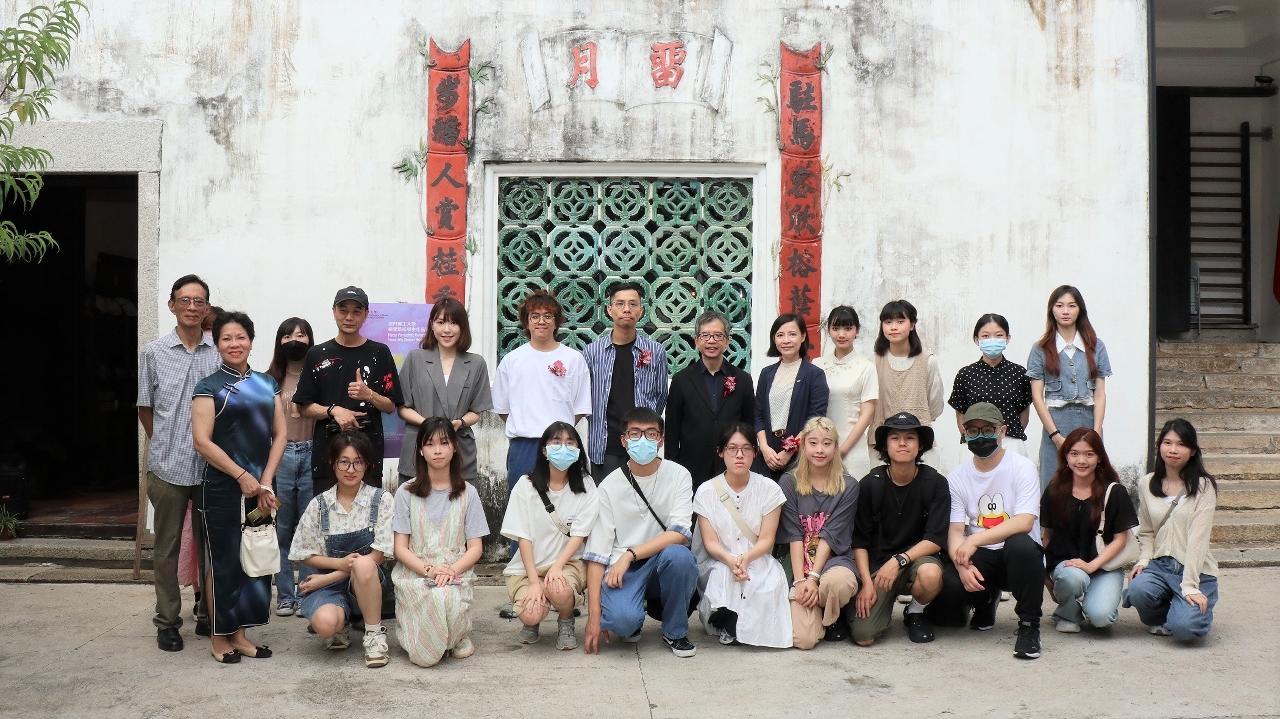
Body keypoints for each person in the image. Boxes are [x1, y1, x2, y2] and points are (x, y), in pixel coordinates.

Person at [191, 311, 285, 663]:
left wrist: (265, 481)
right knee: (225, 563)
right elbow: (202, 441)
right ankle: (219, 636)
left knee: (254, 559)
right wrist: (241, 476)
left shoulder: (267, 384)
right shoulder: (208, 387)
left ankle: (241, 634)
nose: (234, 344)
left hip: (260, 491)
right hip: (222, 489)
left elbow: (280, 435)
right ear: (217, 344)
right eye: (226, 338)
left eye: (240, 337)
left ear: (251, 341)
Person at [492, 289, 592, 616]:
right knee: (521, 515)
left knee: (567, 511)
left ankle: (565, 586)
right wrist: (530, 429)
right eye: (534, 316)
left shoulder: (573, 359)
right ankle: (520, 588)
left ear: (556, 321)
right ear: (526, 322)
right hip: (524, 445)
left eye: (548, 316)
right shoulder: (512, 360)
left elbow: (580, 408)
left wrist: (558, 440)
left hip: (562, 446)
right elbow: (503, 408)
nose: (541, 321)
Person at [137, 274, 221, 651]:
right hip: (168, 467)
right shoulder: (153, 352)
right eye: (184, 300)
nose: (191, 307)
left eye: (198, 301)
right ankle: (167, 621)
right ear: (172, 305)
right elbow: (145, 407)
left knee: (211, 546)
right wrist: (165, 443)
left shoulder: (218, 352)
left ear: (207, 308)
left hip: (210, 468)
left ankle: (207, 613)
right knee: (167, 548)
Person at [583, 407, 699, 658]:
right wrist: (594, 617)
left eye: (651, 433)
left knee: (680, 557)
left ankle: (675, 632)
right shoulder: (609, 486)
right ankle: (632, 614)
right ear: (624, 440)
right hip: (624, 571)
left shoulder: (679, 475)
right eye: (635, 433)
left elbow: (679, 533)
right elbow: (597, 553)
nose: (643, 440)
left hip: (662, 560)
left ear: (661, 440)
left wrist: (630, 554)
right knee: (622, 622)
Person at [933, 403, 1045, 659]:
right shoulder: (957, 477)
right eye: (973, 431)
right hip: (982, 556)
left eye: (988, 429)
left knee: (1021, 545)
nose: (980, 436)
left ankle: (1029, 626)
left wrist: (975, 540)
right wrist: (961, 566)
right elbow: (955, 530)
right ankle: (985, 601)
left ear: (1002, 431)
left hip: (1017, 556)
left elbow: (1025, 521)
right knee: (949, 583)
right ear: (964, 433)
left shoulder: (1023, 467)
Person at [291, 431, 397, 668]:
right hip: (330, 589)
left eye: (358, 462)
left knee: (364, 563)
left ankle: (374, 635)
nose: (351, 469)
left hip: (369, 583)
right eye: (344, 462)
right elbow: (304, 553)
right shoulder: (319, 505)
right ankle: (341, 624)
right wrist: (337, 566)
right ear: (332, 463)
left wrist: (326, 578)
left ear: (367, 465)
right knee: (326, 625)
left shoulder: (381, 500)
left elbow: (377, 557)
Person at [392, 418, 490, 666]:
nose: (437, 450)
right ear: (420, 450)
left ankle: (456, 636)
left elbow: (475, 548)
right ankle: (439, 639)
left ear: (454, 447)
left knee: (445, 596)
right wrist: (430, 570)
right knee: (432, 604)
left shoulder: (468, 493)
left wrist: (450, 571)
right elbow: (400, 548)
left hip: (455, 571)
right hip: (416, 573)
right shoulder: (405, 492)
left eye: (444, 443)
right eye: (430, 444)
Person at [850, 412, 949, 646]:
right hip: (878, 565)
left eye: (910, 437)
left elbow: (935, 539)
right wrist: (866, 584)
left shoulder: (935, 483)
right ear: (885, 445)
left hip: (916, 560)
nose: (902, 443)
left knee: (931, 574)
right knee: (864, 637)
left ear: (920, 445)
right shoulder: (870, 484)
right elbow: (860, 542)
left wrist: (898, 561)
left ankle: (915, 612)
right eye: (895, 438)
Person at [500, 421, 599, 650]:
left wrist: (557, 567)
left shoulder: (586, 484)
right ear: (544, 450)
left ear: (578, 450)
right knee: (531, 613)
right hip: (529, 567)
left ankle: (566, 620)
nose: (563, 447)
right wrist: (535, 582)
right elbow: (523, 536)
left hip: (568, 563)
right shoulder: (525, 485)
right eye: (556, 442)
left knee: (559, 589)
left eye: (570, 442)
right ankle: (533, 622)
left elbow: (579, 534)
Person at [294, 286, 404, 493]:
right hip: (327, 456)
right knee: (326, 512)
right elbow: (304, 407)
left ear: (366, 315)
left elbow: (391, 405)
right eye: (343, 310)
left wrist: (368, 394)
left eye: (356, 311)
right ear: (334, 311)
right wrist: (333, 410)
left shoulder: (380, 352)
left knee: (369, 511)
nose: (349, 317)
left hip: (368, 455)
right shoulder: (317, 354)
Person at [692, 423, 791, 648]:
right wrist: (731, 561)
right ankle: (728, 623)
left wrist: (746, 559)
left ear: (755, 453)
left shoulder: (769, 489)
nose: (739, 455)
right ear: (720, 452)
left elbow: (766, 539)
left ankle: (741, 626)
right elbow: (710, 542)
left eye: (746, 448)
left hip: (757, 557)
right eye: (732, 448)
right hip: (720, 560)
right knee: (722, 577)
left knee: (764, 584)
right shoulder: (706, 491)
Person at [1124, 419, 1219, 641]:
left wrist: (1190, 585)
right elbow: (1147, 531)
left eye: (1181, 444)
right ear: (1159, 446)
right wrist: (1143, 560)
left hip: (1195, 570)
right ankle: (1164, 616)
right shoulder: (1147, 483)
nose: (1173, 450)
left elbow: (1198, 540)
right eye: (1167, 443)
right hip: (1161, 565)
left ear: (1193, 451)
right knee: (1137, 589)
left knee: (1185, 629)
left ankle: (1186, 612)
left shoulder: (1204, 487)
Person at [1040, 428, 1138, 634]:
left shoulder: (1114, 492)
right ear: (1066, 457)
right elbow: (1048, 535)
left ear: (1099, 457)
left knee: (1101, 618)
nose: (1081, 461)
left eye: (1089, 454)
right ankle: (1067, 613)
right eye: (1074, 454)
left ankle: (1094, 603)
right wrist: (1046, 576)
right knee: (1074, 578)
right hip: (1066, 566)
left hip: (1104, 565)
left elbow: (1120, 540)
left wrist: (1091, 566)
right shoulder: (1054, 490)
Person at [778, 417, 860, 649]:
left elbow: (830, 535)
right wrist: (801, 581)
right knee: (804, 641)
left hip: (834, 561)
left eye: (826, 443)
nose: (819, 450)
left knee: (837, 584)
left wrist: (814, 578)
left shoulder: (848, 485)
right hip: (799, 564)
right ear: (803, 446)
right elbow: (794, 535)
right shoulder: (789, 482)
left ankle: (834, 612)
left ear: (835, 447)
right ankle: (822, 613)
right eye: (813, 443)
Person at [396, 298, 493, 490]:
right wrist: (429, 426)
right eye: (440, 322)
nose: (446, 330)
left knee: (460, 502)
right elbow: (403, 407)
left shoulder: (476, 364)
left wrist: (460, 422)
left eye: (453, 323)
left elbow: (476, 411)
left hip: (458, 446)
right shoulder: (416, 359)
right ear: (432, 325)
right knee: (414, 502)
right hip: (419, 445)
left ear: (463, 327)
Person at [1027, 285, 1112, 489]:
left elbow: (1100, 394)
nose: (1065, 311)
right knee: (1054, 486)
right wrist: (1056, 436)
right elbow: (1037, 397)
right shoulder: (1040, 349)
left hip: (1089, 421)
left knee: (1092, 487)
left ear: (1080, 309)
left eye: (1072, 306)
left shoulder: (1096, 346)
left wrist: (1096, 432)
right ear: (1051, 310)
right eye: (1060, 305)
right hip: (1056, 424)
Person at [583, 281, 669, 479]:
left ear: (641, 311)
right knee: (607, 497)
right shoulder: (592, 352)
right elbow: (584, 396)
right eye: (620, 304)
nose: (626, 309)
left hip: (643, 445)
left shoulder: (655, 351)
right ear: (609, 310)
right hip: (605, 446)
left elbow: (661, 395)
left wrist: (646, 428)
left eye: (632, 304)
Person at [665, 310, 756, 490]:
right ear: (696, 340)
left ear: (727, 341)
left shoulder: (743, 380)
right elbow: (672, 428)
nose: (711, 341)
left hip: (731, 465)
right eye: (705, 335)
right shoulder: (681, 380)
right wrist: (671, 468)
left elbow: (749, 426)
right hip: (691, 466)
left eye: (718, 335)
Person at [265, 317, 316, 617]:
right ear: (279, 342)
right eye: (287, 336)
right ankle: (285, 595)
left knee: (309, 529)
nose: (294, 341)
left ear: (310, 340)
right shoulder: (269, 379)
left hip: (312, 454)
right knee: (281, 529)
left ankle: (306, 591)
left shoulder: (318, 376)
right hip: (280, 457)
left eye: (300, 335)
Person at [753, 314, 830, 480]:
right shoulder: (766, 374)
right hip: (768, 454)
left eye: (792, 334)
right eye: (780, 335)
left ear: (803, 337)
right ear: (774, 339)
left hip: (800, 454)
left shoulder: (814, 374)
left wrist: (789, 450)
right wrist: (764, 448)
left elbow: (816, 419)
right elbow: (758, 415)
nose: (786, 340)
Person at [870, 300, 944, 469]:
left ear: (912, 325)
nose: (893, 327)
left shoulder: (927, 360)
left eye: (900, 321)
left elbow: (935, 405)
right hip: (881, 445)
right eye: (888, 322)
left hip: (921, 443)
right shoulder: (873, 362)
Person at [949, 313, 1033, 458]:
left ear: (1007, 338)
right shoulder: (966, 374)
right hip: (975, 443)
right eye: (986, 336)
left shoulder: (1019, 373)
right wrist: (972, 436)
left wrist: (1006, 435)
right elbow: (961, 412)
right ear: (977, 340)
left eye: (999, 335)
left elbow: (1024, 412)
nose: (992, 340)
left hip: (1011, 443)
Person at [813, 305, 878, 480]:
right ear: (829, 330)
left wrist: (842, 450)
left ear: (857, 331)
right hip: (819, 448)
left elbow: (867, 415)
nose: (841, 334)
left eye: (848, 328)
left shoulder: (866, 367)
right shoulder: (817, 365)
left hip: (852, 448)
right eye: (835, 328)